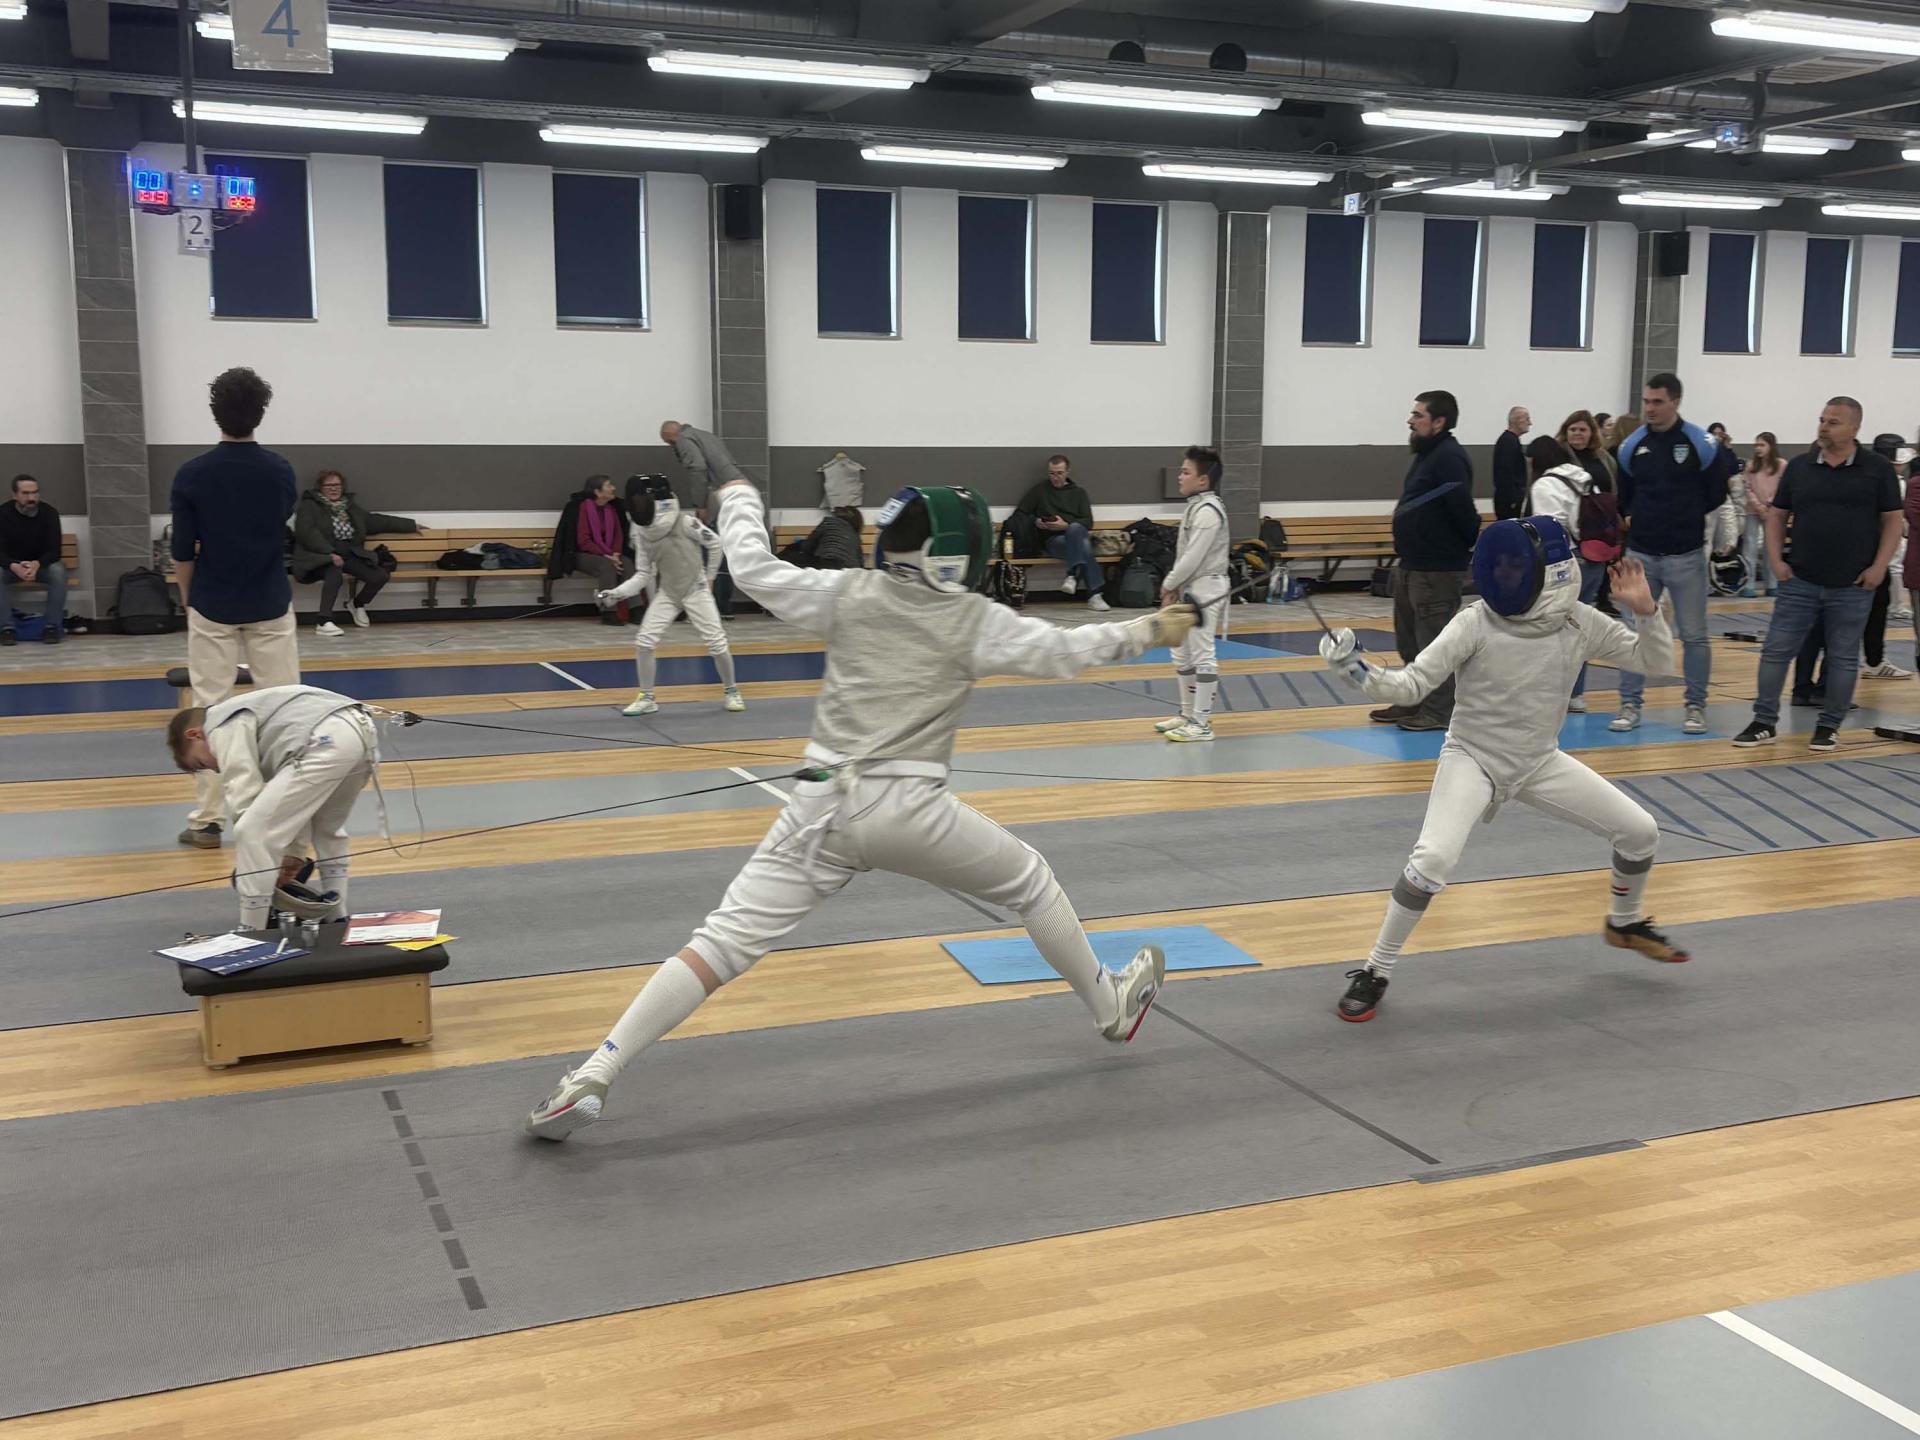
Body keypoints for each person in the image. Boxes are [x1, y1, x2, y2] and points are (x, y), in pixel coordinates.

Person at [524, 478, 1201, 1140]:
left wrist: (741, 500)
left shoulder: (850, 592)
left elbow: (752, 569)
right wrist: (1151, 628)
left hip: (819, 806)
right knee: (1032, 883)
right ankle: (1110, 1005)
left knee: (719, 943)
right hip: (910, 811)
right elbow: (1067, 648)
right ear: (955, 556)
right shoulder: (973, 619)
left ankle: (595, 1071)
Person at [1320, 517, 1688, 1024]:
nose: (1504, 575)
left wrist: (1646, 612)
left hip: (1538, 761)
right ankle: (1375, 970)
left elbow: (1657, 661)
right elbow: (1410, 686)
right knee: (1433, 860)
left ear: (1551, 574)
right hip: (1472, 758)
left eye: (1516, 566)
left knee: (1641, 832)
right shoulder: (1475, 621)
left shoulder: (1579, 622)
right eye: (1501, 565)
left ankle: (1623, 924)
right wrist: (1356, 669)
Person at [170, 367, 302, 850]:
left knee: (210, 713)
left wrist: (190, 600)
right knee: (284, 710)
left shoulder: (192, 474)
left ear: (215, 413)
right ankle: (286, 813)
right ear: (259, 413)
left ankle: (208, 821)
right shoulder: (280, 471)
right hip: (269, 601)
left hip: (213, 603)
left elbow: (182, 551)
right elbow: (275, 525)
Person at [1732, 398, 1902, 755]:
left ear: (1855, 428)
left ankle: (1828, 726)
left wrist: (1879, 567)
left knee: (1843, 657)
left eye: (1833, 422)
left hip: (1853, 584)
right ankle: (1764, 721)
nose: (1823, 427)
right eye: (1822, 420)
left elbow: (1892, 520)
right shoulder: (1800, 467)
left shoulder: (1877, 469)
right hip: (1800, 580)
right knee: (1776, 651)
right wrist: (1776, 561)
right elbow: (1778, 515)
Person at [166, 684, 378, 932]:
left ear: (195, 735)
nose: (216, 769)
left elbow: (242, 788)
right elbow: (296, 808)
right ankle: (337, 919)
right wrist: (293, 854)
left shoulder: (219, 724)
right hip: (362, 732)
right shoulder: (256, 716)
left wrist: (261, 853)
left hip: (323, 739)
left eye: (202, 763)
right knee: (327, 829)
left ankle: (251, 930)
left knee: (250, 831)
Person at [1609, 373, 1731, 735]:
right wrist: (1636, 517)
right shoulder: (1632, 446)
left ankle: (1696, 706)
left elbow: (1716, 493)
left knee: (1693, 635)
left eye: (1658, 402)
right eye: (1646, 401)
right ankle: (1630, 704)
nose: (1650, 408)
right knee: (1634, 631)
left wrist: (1686, 516)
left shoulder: (1701, 443)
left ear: (1675, 402)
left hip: (1686, 555)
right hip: (1641, 554)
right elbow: (1625, 494)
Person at [598, 474, 744, 718]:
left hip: (696, 589)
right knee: (644, 643)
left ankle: (732, 690)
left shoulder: (685, 522)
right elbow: (643, 574)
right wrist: (616, 593)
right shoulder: (643, 533)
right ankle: (647, 698)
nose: (638, 506)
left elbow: (715, 543)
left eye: (642, 501)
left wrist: (709, 578)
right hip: (669, 592)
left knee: (717, 644)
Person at [1381, 390, 1480, 732]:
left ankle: (1439, 710)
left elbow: (1463, 512)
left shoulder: (1449, 457)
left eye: (1418, 415)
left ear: (1439, 422)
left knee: (1434, 643)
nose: (1410, 420)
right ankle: (1413, 699)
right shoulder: (1428, 454)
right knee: (1409, 641)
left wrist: (1452, 550)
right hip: (1413, 564)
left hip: (1435, 569)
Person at [1525, 436, 1609, 712]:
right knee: (1578, 630)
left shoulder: (1544, 485)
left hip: (1567, 562)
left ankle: (1549, 695)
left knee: (1549, 630)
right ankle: (1575, 694)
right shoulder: (1583, 477)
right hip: (1595, 558)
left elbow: (1550, 528)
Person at [1154, 446, 1232, 744]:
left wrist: (1169, 584)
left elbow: (1193, 557)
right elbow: (1186, 557)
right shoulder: (1197, 507)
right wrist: (1176, 586)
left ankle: (1201, 723)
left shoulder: (1209, 512)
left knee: (1202, 653)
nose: (1179, 476)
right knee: (1182, 652)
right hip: (1192, 587)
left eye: (1186, 472)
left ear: (1203, 480)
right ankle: (1188, 715)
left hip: (1207, 587)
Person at [290, 470, 419, 638]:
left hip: (348, 553)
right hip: (317, 555)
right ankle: (323, 621)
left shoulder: (350, 507)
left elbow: (375, 521)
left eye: (337, 485)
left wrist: (411, 525)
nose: (334, 489)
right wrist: (329, 553)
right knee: (333, 572)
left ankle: (357, 604)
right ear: (320, 487)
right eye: (329, 485)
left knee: (379, 576)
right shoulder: (309, 506)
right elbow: (307, 533)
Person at [1015, 455, 1108, 611]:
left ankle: (1073, 575)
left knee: (1076, 529)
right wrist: (1036, 521)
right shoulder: (1040, 491)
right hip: (1053, 540)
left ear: (1067, 472)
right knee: (1085, 548)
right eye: (1052, 473)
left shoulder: (1079, 493)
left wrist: (1065, 525)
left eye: (1059, 473)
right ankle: (1094, 594)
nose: (1055, 477)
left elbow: (1088, 522)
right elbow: (1021, 513)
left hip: (1074, 536)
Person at [0, 474, 68, 646]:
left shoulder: (49, 513)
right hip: (11, 568)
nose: (31, 498)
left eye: (35, 493)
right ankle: (6, 628)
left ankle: (52, 627)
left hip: (41, 566)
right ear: (15, 495)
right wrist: (13, 566)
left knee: (58, 571)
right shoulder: (2, 513)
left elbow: (54, 551)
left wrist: (37, 564)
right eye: (25, 493)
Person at [572, 476, 629, 625]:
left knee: (627, 564)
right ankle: (609, 611)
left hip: (609, 553)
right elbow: (584, 541)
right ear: (597, 492)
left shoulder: (612, 510)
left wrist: (616, 553)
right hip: (585, 554)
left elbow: (618, 535)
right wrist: (606, 555)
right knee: (606, 565)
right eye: (609, 486)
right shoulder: (583, 508)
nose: (613, 488)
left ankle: (636, 608)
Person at [659, 420, 748, 514]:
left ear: (668, 433)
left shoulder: (683, 439)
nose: (672, 446)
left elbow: (698, 470)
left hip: (724, 491)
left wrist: (700, 505)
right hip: (740, 486)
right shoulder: (706, 435)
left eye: (670, 442)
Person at [1743, 433, 1785, 597]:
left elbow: (1782, 487)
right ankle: (1748, 585)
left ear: (1771, 447)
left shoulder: (1781, 465)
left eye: (1762, 445)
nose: (1758, 449)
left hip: (1772, 511)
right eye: (1756, 445)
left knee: (1771, 547)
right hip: (1753, 510)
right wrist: (1759, 507)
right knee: (1750, 547)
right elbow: (1748, 488)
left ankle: (1772, 584)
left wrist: (1769, 504)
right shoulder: (1751, 465)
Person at [1555, 411, 1617, 496]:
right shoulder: (1558, 454)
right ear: (1565, 432)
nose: (1577, 433)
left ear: (1592, 433)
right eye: (1573, 429)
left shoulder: (1603, 455)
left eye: (1582, 430)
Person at [1492, 406, 1531, 522]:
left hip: (1509, 500)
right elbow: (1505, 472)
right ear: (1518, 420)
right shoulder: (1509, 442)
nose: (1530, 423)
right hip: (1509, 502)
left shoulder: (1510, 440)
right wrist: (1512, 499)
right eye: (1527, 419)